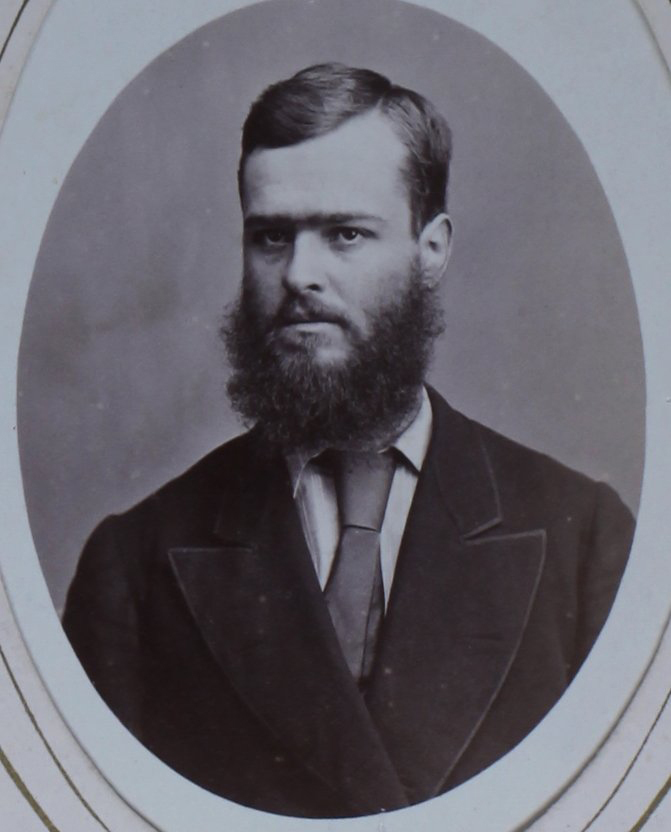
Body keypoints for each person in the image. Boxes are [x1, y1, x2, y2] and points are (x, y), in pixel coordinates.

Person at [62, 63, 634, 818]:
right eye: (271, 237)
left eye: (345, 234)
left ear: (431, 249)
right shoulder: (133, 566)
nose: (300, 274)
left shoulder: (583, 541)